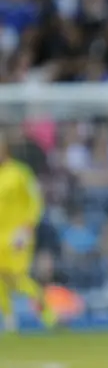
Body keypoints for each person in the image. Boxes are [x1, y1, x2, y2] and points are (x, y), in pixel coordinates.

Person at [0, 132, 56, 332]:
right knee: (1, 279)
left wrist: (28, 226)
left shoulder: (20, 173)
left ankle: (46, 313)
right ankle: (9, 321)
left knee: (17, 277)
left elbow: (35, 201)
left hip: (18, 234)